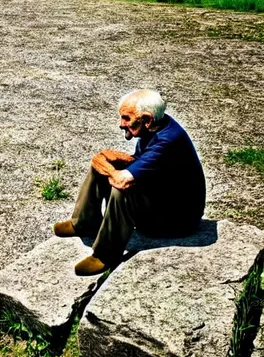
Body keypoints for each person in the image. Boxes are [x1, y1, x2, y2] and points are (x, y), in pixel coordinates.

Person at [53, 89, 205, 276]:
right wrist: (109, 161)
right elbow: (148, 164)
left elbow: (123, 181)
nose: (121, 124)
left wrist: (101, 162)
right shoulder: (158, 124)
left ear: (147, 119)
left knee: (121, 189)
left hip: (175, 221)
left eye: (126, 118)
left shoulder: (168, 141)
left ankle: (105, 254)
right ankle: (84, 222)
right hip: (163, 195)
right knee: (104, 165)